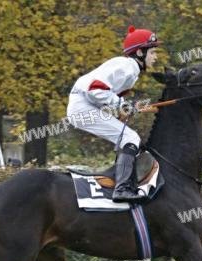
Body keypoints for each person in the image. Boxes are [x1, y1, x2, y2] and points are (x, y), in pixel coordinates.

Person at [67, 25, 160, 202]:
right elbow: (95, 89)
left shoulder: (130, 69)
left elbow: (104, 95)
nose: (155, 57)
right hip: (82, 106)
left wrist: (122, 109)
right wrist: (122, 105)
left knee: (127, 137)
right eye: (153, 52)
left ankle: (121, 181)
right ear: (140, 52)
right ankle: (122, 189)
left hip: (86, 104)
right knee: (130, 138)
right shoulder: (127, 67)